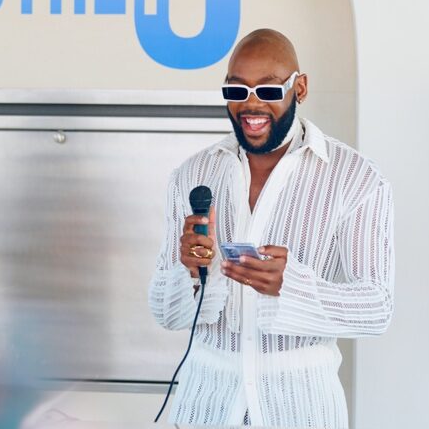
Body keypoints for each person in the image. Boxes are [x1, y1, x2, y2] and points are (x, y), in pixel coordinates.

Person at [148, 29, 394, 428]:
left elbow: (376, 309)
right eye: (236, 90)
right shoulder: (191, 175)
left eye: (267, 89)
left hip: (300, 412)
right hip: (204, 411)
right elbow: (165, 312)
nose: (251, 104)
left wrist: (291, 288)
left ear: (300, 88)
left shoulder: (355, 178)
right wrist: (190, 273)